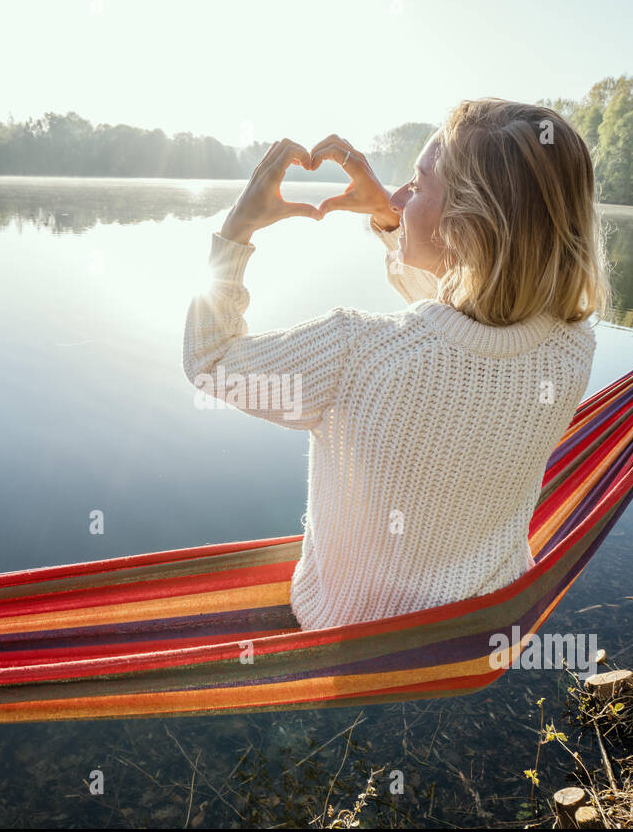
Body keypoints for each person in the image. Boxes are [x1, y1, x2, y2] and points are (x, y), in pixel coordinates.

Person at [183, 98, 611, 631]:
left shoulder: (354, 352)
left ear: (469, 226)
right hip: (489, 612)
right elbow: (469, 331)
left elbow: (212, 361)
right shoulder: (572, 348)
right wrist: (392, 218)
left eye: (418, 183)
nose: (401, 195)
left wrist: (236, 233)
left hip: (351, 622)